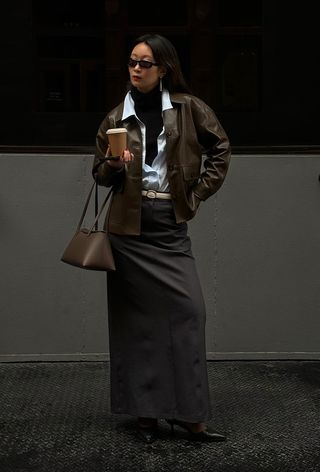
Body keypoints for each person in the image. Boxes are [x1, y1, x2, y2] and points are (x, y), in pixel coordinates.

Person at [93, 34, 231, 444]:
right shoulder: (116, 116)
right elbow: (100, 175)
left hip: (168, 224)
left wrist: (196, 193)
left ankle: (190, 415)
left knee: (190, 313)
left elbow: (220, 148)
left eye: (145, 63)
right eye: (132, 62)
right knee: (137, 325)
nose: (136, 69)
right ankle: (147, 415)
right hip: (128, 231)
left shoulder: (189, 109)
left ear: (163, 68)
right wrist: (114, 165)